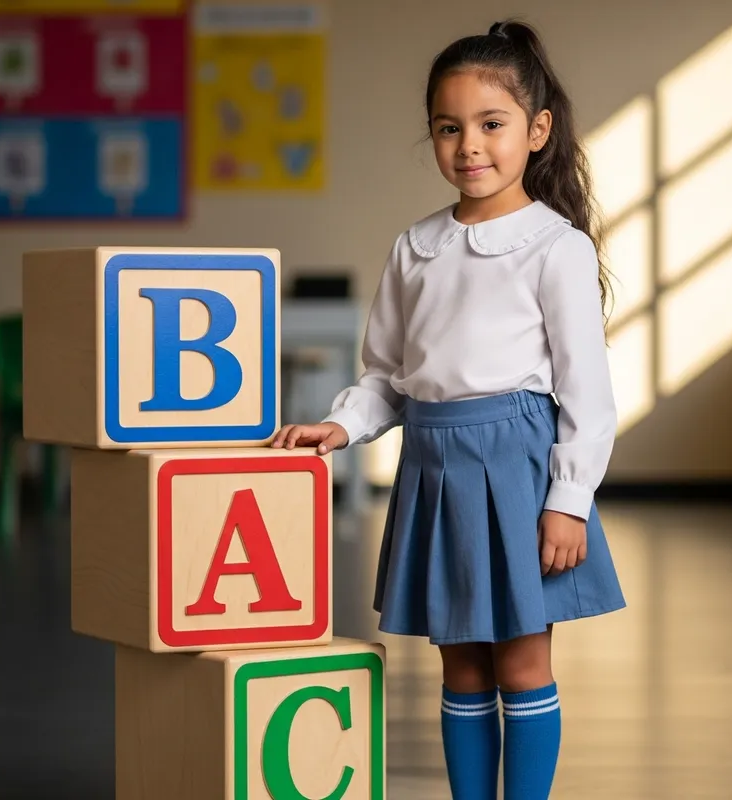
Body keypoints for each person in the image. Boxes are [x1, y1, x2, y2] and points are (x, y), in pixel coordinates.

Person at [271, 18, 626, 800]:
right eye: (448, 127)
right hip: (434, 471)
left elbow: (588, 395)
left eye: (490, 124)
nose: (469, 145)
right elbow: (388, 376)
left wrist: (568, 502)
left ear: (537, 131)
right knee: (460, 660)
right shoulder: (416, 248)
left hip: (520, 474)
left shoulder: (554, 246)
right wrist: (342, 424)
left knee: (523, 659)